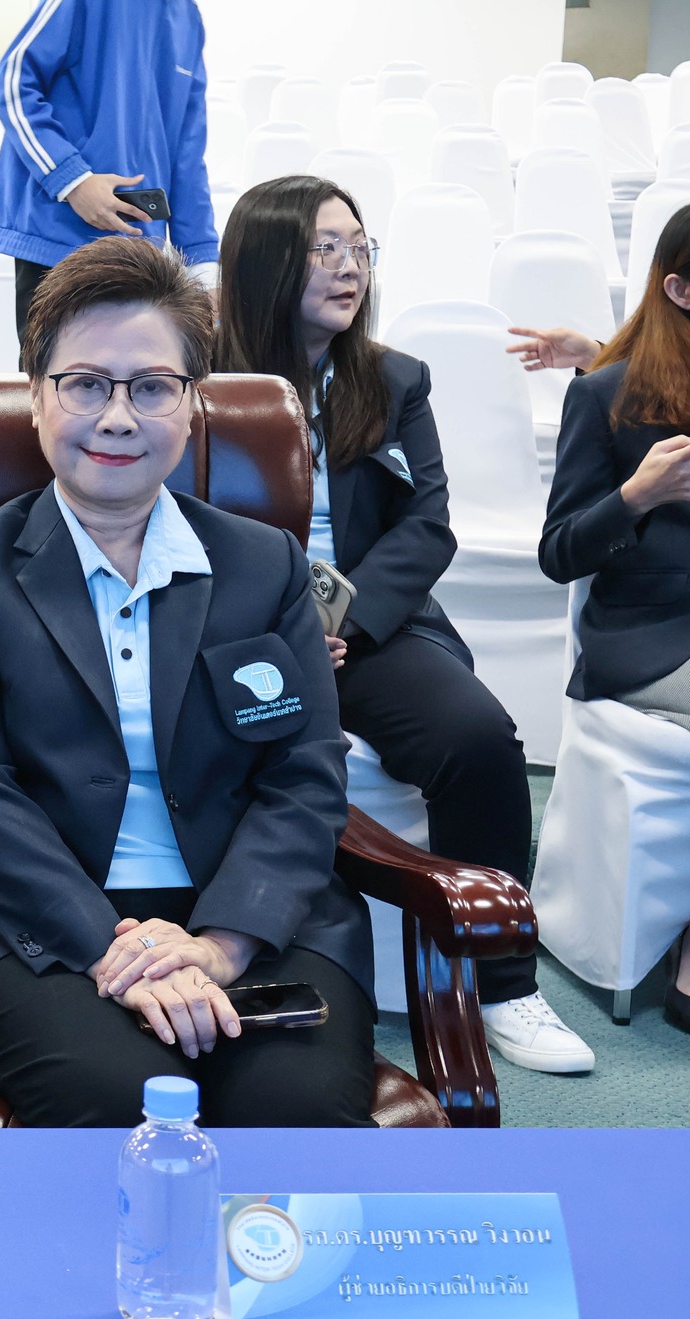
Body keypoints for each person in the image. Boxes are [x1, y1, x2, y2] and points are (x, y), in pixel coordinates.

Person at [0, 236, 375, 1128]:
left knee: (296, 1106)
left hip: (246, 908)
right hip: (28, 920)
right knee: (116, 1100)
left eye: (152, 387)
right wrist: (112, 949)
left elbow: (305, 776)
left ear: (193, 405)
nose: (118, 417)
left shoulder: (265, 565)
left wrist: (221, 945)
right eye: (85, 384)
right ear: (36, 397)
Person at [214, 176, 594, 1072]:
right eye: (325, 249)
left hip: (364, 629)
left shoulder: (393, 379)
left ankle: (502, 982)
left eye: (360, 247)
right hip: (230, 630)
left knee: (479, 738)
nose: (350, 267)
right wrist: (274, 630)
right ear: (268, 261)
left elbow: (427, 524)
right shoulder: (199, 376)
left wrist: (344, 621)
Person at [539, 202, 690, 1033]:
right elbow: (558, 551)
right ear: (680, 289)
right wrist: (637, 496)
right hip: (649, 639)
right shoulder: (607, 395)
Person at [0, 0, 217, 357]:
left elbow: (188, 151)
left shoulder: (187, 16)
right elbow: (12, 82)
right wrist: (73, 180)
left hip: (142, 252)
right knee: (60, 379)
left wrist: (203, 263)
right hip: (59, 237)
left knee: (135, 380)